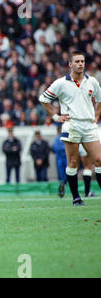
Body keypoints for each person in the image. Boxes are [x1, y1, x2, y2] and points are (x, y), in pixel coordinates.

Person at [39, 50, 101, 206]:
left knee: (99, 160)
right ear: (70, 64)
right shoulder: (61, 83)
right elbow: (43, 99)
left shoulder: (92, 81)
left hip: (89, 125)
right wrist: (55, 116)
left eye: (82, 61)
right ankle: (76, 197)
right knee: (73, 162)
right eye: (77, 61)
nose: (80, 64)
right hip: (71, 124)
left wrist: (97, 115)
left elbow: (99, 99)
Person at [52, 125, 67, 198]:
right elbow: (55, 148)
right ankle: (61, 187)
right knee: (61, 173)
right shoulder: (57, 139)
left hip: (66, 158)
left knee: (68, 172)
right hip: (60, 158)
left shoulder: (65, 138)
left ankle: (65, 186)